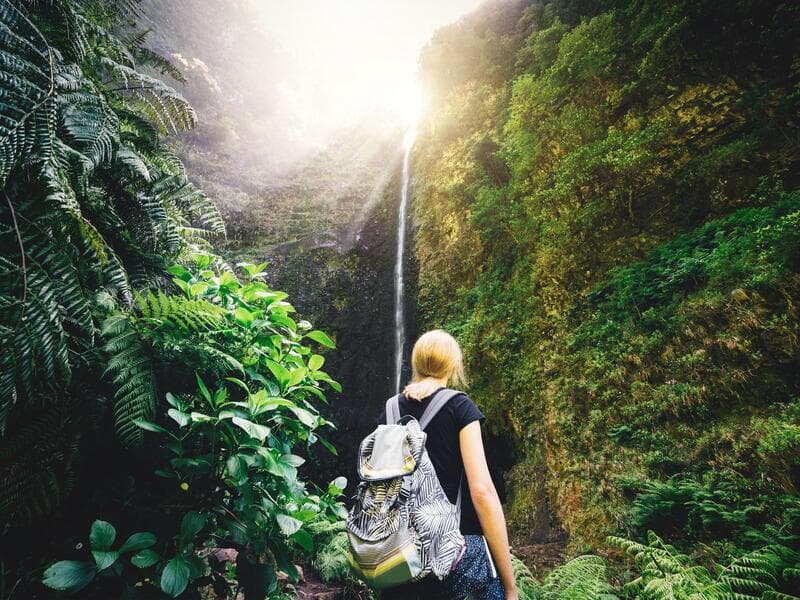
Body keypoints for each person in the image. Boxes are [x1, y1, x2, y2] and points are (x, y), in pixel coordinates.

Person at [377, 329, 518, 600]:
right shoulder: (460, 408)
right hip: (453, 560)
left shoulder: (389, 410)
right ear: (453, 365)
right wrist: (510, 586)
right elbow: (482, 492)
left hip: (399, 557)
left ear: (417, 364)